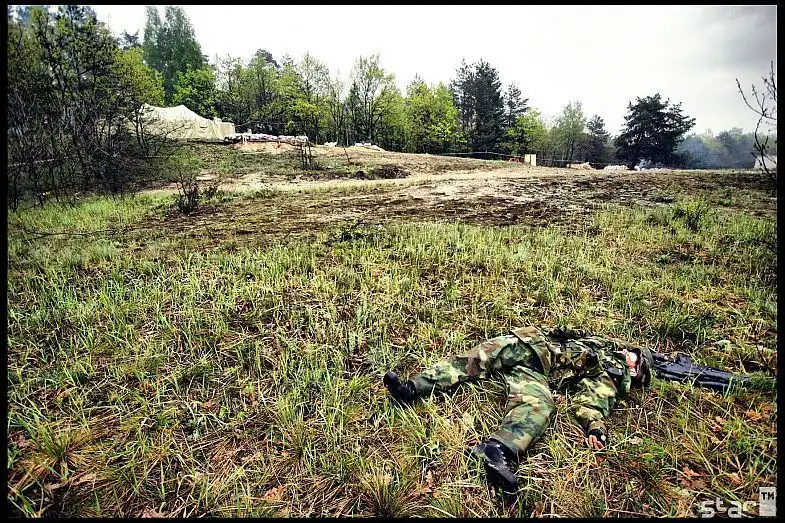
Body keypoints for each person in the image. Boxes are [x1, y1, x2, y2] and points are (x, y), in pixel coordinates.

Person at [383, 325, 653, 492]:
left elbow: (593, 400)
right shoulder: (602, 343)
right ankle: (411, 388)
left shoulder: (612, 374)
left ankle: (496, 451)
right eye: (633, 353)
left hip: (538, 372)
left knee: (540, 404)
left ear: (636, 370)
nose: (629, 356)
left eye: (635, 359)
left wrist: (595, 426)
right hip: (530, 342)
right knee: (476, 359)